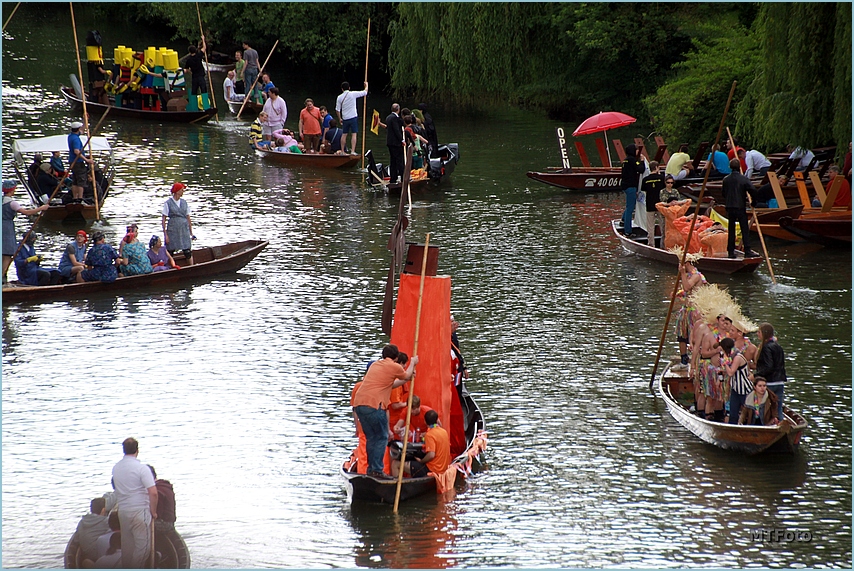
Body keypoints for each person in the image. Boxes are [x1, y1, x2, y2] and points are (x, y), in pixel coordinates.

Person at [352, 344, 418, 479]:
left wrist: (406, 378)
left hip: (360, 405)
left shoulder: (376, 365)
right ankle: (377, 470)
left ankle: (371, 469)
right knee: (382, 437)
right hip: (374, 406)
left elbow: (391, 384)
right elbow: (406, 373)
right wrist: (413, 362)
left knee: (371, 438)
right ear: (396, 357)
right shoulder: (394, 366)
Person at [111, 437, 157, 570]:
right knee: (143, 548)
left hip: (123, 512)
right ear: (137, 450)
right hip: (139, 511)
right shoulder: (142, 468)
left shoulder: (116, 468)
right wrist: (153, 511)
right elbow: (153, 492)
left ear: (123, 450)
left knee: (128, 548)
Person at [2, 180, 49, 284]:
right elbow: (27, 213)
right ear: (12, 190)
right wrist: (41, 208)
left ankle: (3, 276)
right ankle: (2, 277)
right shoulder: (11, 203)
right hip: (7, 228)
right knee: (7, 254)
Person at [390, 409, 449, 478]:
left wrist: (421, 461)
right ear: (436, 420)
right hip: (442, 467)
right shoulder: (444, 432)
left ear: (424, 421)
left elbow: (431, 455)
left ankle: (397, 486)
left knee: (395, 464)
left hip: (432, 468)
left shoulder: (430, 435)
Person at [721, 158, 759, 258]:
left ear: (730, 167)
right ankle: (747, 250)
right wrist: (754, 202)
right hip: (740, 206)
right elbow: (753, 190)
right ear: (739, 167)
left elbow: (723, 193)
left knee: (731, 229)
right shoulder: (743, 179)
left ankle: (731, 251)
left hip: (729, 206)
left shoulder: (726, 179)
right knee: (744, 229)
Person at [673, 257, 706, 369]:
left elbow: (687, 287)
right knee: (681, 335)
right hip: (686, 309)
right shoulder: (689, 275)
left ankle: (696, 360)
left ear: (686, 263)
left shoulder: (696, 275)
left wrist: (682, 272)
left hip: (694, 311)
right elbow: (687, 291)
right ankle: (684, 360)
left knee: (694, 337)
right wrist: (679, 293)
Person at [752, 322, 787, 422]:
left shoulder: (766, 348)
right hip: (780, 382)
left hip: (769, 383)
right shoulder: (778, 346)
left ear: (764, 333)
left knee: (763, 409)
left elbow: (769, 366)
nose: (757, 334)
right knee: (778, 410)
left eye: (759, 332)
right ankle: (781, 426)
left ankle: (763, 429)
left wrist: (756, 375)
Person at [720, 337, 753, 424]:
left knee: (750, 411)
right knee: (733, 412)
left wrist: (724, 363)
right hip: (735, 388)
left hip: (744, 389)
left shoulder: (737, 357)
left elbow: (731, 372)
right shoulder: (732, 356)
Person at [161, 182, 194, 265]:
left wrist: (191, 232)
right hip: (173, 230)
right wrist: (166, 235)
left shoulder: (184, 202)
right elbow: (163, 219)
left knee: (187, 251)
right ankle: (167, 268)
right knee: (170, 250)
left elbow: (188, 217)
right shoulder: (168, 203)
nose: (183, 191)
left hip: (183, 229)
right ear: (177, 191)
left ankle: (191, 267)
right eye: (182, 190)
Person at [335, 81, 369, 155]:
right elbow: (365, 92)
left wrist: (339, 118)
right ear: (349, 88)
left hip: (345, 118)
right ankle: (352, 151)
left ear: (342, 89)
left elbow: (337, 110)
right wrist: (366, 85)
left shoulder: (339, 97)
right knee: (354, 134)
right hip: (353, 117)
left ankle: (342, 151)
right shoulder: (353, 94)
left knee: (344, 134)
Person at [620, 143, 645, 237]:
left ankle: (623, 220)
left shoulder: (626, 160)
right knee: (630, 208)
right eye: (636, 149)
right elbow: (641, 169)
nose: (638, 151)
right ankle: (628, 231)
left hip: (625, 185)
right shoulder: (632, 160)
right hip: (630, 186)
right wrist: (642, 161)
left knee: (629, 205)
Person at [75, 497, 109, 562]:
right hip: (99, 556)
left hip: (87, 555)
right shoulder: (105, 522)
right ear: (103, 510)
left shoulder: (82, 521)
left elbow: (76, 539)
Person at [68, 121, 95, 201]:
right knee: (81, 181)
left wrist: (85, 119)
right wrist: (87, 160)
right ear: (78, 129)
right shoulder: (76, 139)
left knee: (75, 180)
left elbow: (82, 130)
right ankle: (80, 198)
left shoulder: (71, 136)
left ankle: (75, 198)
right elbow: (76, 151)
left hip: (72, 161)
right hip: (78, 162)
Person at [641, 160, 666, 245]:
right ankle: (664, 244)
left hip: (649, 205)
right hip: (660, 205)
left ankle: (651, 244)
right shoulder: (662, 178)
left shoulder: (645, 180)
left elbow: (644, 190)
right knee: (663, 225)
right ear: (656, 168)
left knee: (650, 227)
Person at [148, 466, 176, 531]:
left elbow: (157, 514)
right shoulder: (164, 486)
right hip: (169, 522)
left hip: (164, 523)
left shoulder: (157, 490)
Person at [384, 103, 406, 184]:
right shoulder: (394, 118)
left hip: (390, 142)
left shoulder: (388, 117)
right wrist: (402, 140)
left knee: (393, 161)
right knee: (399, 160)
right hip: (395, 143)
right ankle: (403, 177)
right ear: (398, 110)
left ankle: (393, 178)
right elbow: (397, 130)